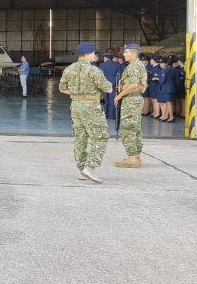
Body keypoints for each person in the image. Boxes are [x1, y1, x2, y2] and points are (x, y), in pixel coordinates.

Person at [58, 41, 112, 183]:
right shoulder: (94, 70)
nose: (95, 56)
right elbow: (108, 88)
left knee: (80, 138)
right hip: (91, 106)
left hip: (75, 105)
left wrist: (76, 94)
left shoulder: (69, 69)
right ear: (87, 55)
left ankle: (82, 170)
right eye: (94, 53)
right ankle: (90, 167)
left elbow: (62, 88)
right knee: (101, 137)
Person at [114, 43, 148, 168]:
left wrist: (120, 95)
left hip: (131, 100)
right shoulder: (137, 65)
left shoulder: (134, 66)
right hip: (135, 99)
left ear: (134, 53)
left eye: (126, 52)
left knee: (128, 128)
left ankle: (132, 158)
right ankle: (135, 156)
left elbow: (134, 85)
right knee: (135, 128)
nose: (124, 54)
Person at [99, 53, 119, 119]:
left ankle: (104, 115)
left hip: (104, 86)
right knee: (112, 100)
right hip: (113, 86)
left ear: (106, 58)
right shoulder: (117, 65)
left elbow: (100, 76)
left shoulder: (101, 65)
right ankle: (111, 115)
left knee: (104, 100)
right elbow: (119, 76)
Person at [156, 57, 175, 122]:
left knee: (168, 103)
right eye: (160, 63)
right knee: (168, 103)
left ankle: (171, 117)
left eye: (162, 63)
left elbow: (162, 81)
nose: (161, 65)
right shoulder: (169, 69)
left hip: (167, 89)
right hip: (168, 88)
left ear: (165, 64)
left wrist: (157, 79)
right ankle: (167, 116)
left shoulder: (165, 70)